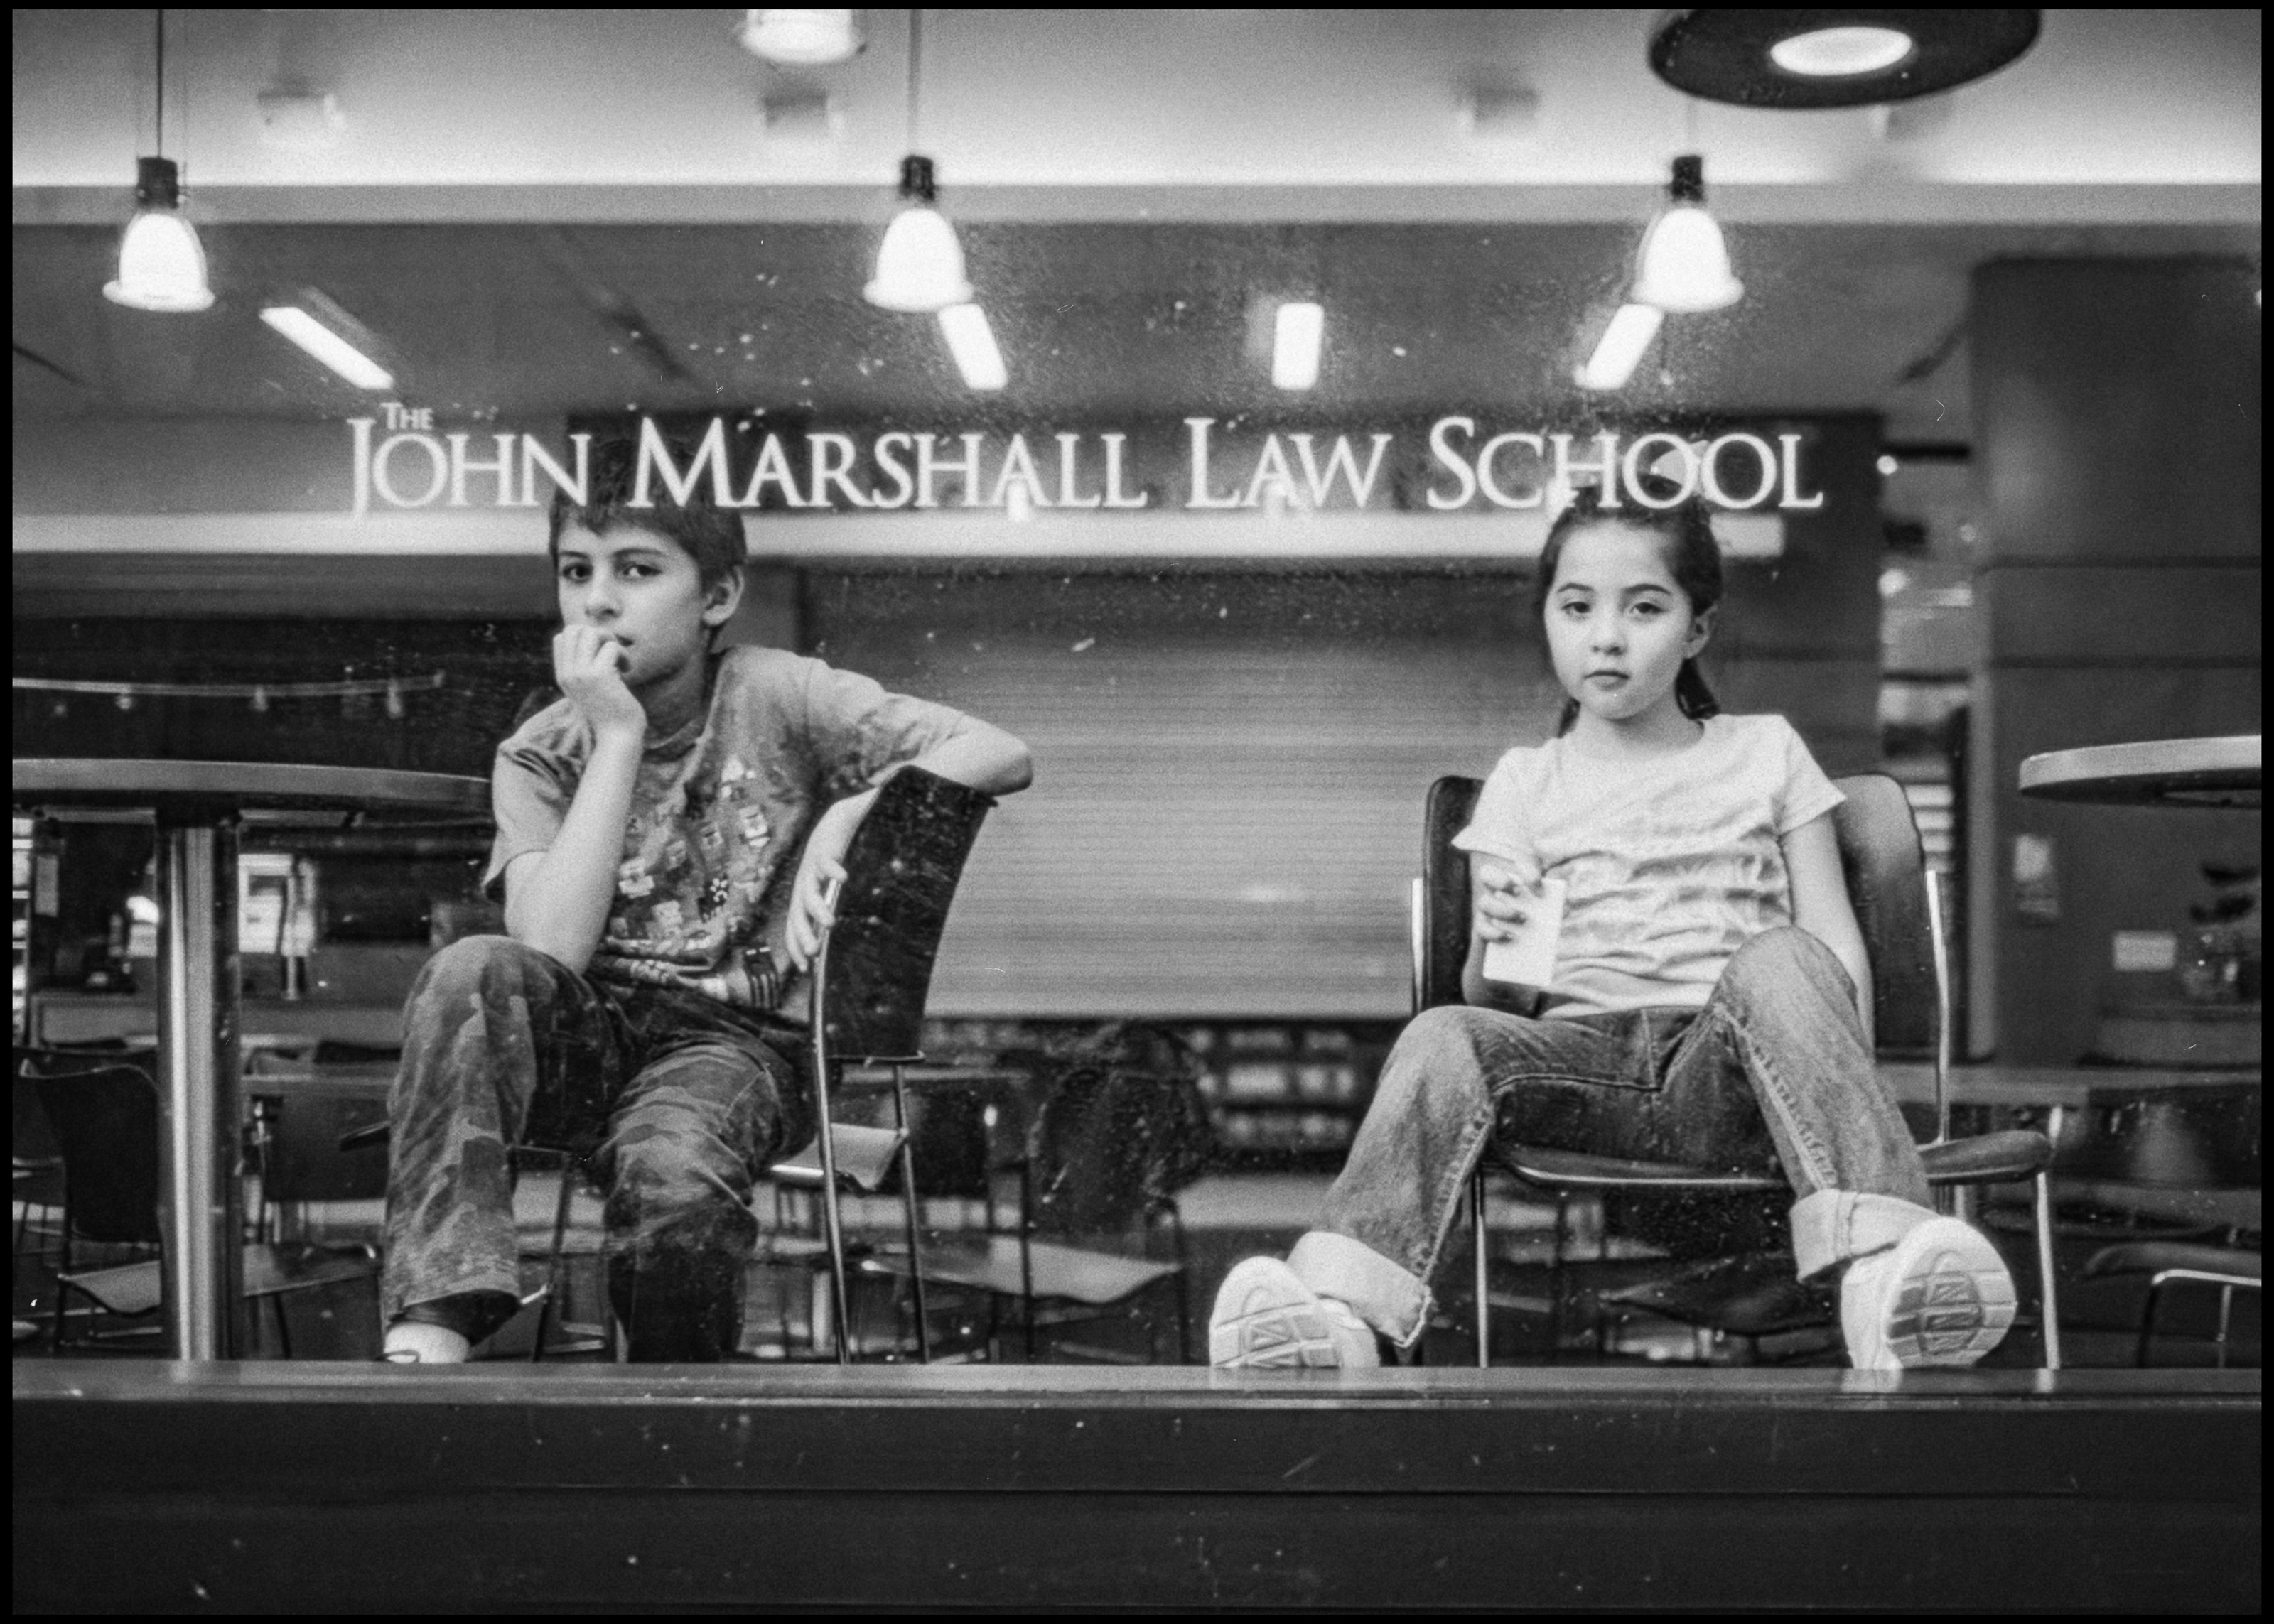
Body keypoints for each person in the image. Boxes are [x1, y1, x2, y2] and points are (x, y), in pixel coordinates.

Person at [1210, 480, 2015, 1372]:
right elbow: (1498, 996)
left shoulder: (1765, 751)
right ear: (1548, 621)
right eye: (1575, 606)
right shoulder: (1525, 780)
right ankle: (1341, 1318)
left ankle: (1883, 1273)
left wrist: (1832, 1073)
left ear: (1695, 628)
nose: (1605, 635)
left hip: (1741, 1069)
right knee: (1444, 1030)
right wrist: (1492, 935)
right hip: (1578, 1074)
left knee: (1785, 955)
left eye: (1643, 607)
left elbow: (1833, 945)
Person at [379, 442, 1033, 1363]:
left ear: (717, 596)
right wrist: (614, 735)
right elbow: (551, 950)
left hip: (734, 1042)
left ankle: (672, 1399)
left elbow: (999, 750)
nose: (598, 600)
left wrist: (858, 804)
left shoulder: (779, 692)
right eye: (577, 572)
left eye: (637, 570)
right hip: (591, 1032)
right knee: (469, 967)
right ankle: (435, 1322)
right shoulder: (540, 749)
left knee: (671, 1168)